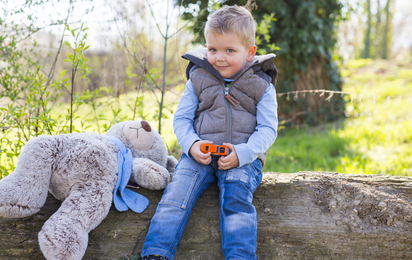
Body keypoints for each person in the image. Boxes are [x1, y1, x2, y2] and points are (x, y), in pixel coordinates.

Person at [141, 4, 278, 260]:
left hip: (240, 159)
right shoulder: (199, 78)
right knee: (175, 196)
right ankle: (156, 252)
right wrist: (192, 145)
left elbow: (268, 129)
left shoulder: (261, 85)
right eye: (213, 49)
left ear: (250, 52)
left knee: (237, 204)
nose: (219, 58)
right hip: (199, 154)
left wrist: (244, 153)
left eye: (229, 50)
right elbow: (182, 119)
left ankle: (240, 256)